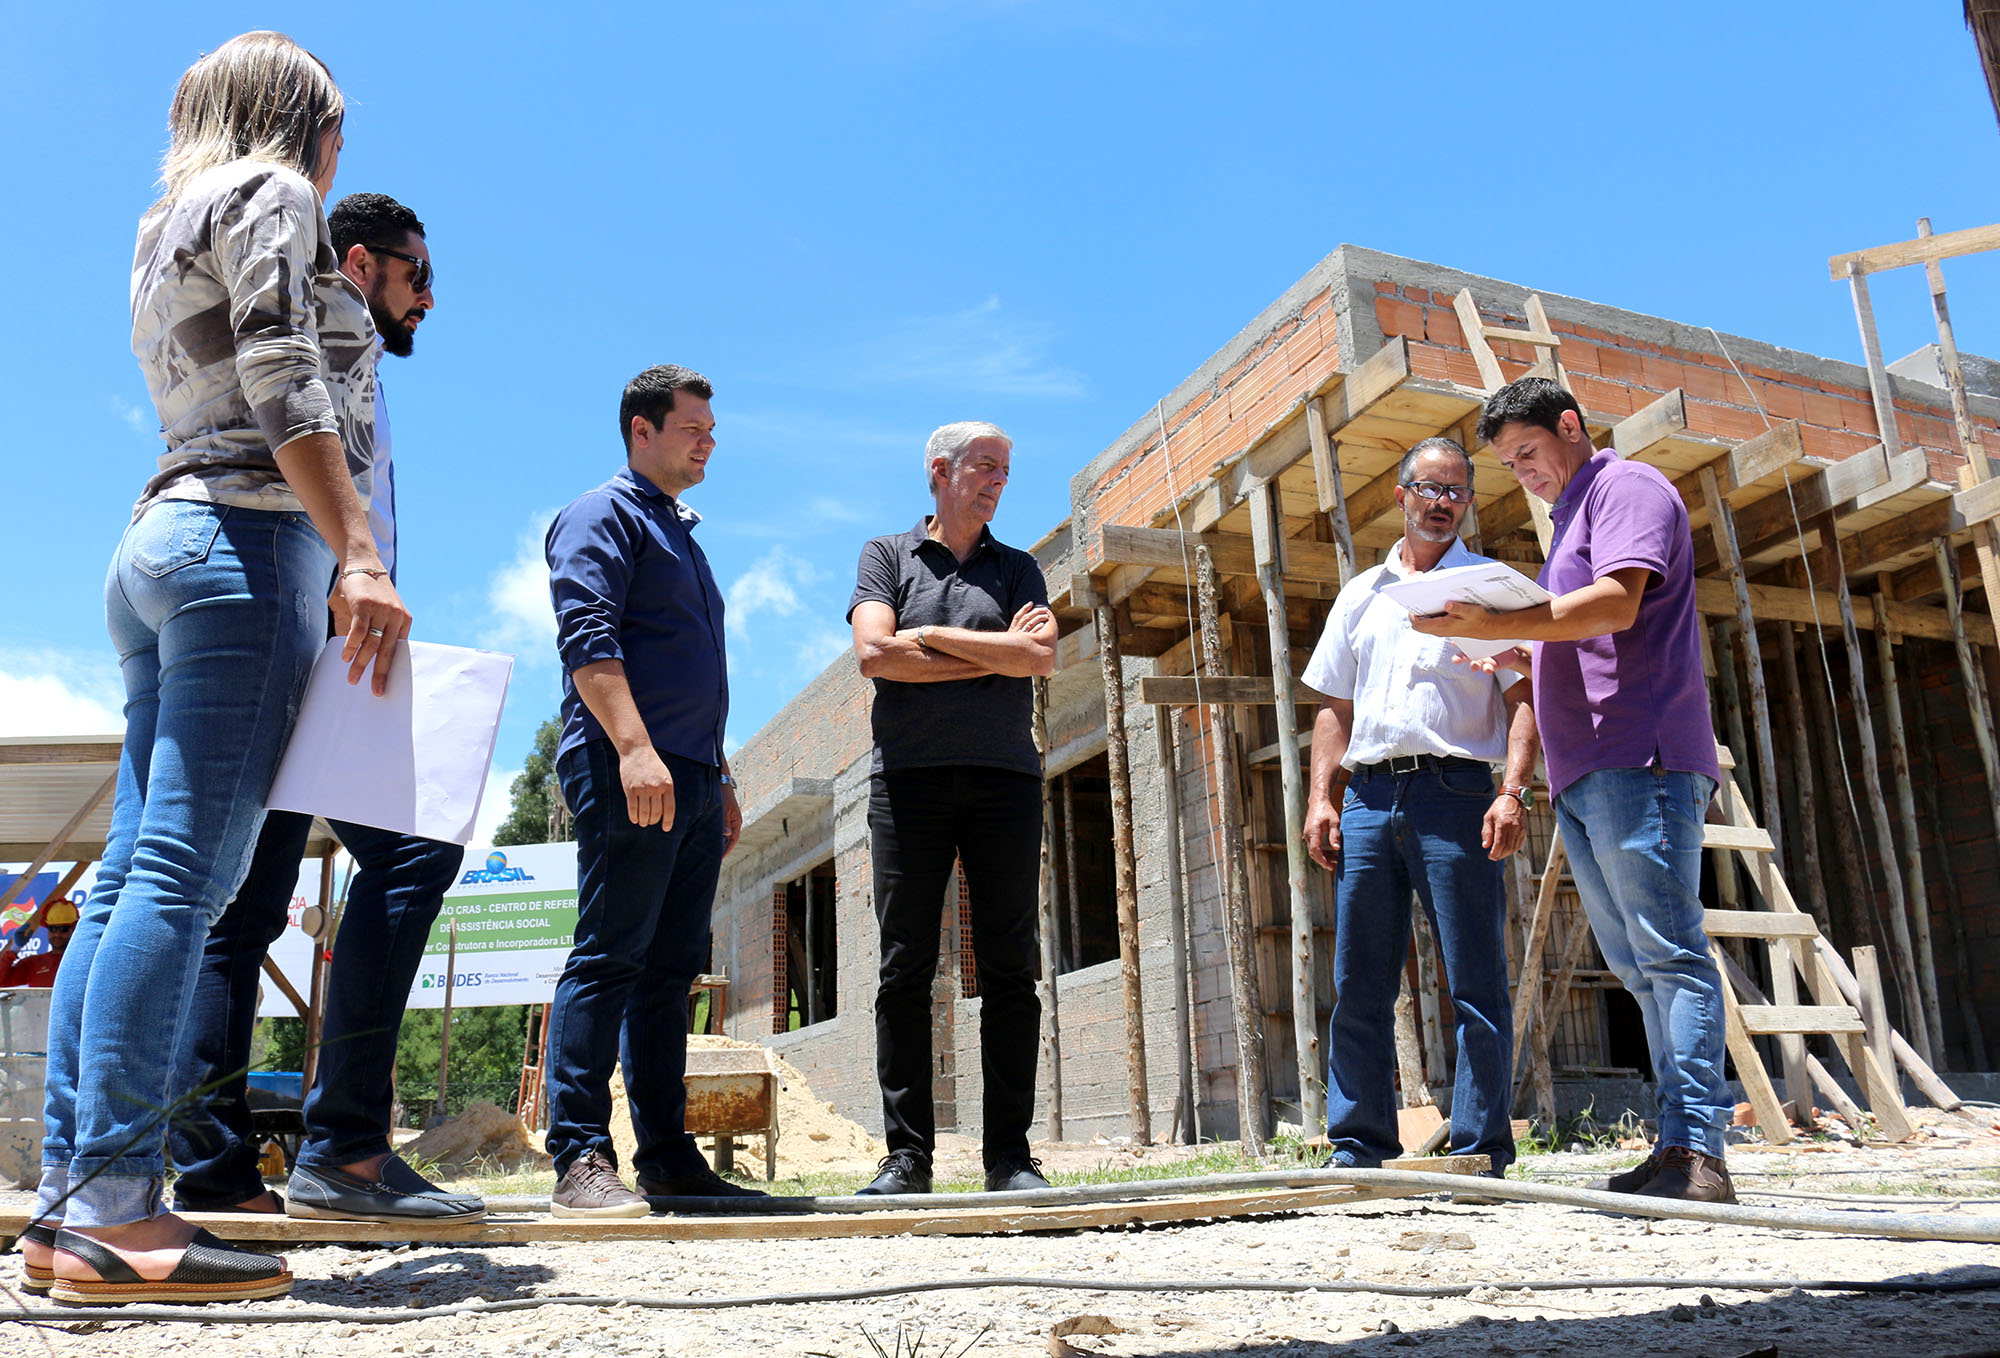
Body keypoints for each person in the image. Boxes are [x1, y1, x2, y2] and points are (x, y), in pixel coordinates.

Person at [28, 31, 407, 1307]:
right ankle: (118, 1205)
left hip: (155, 537)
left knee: (136, 876)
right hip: (243, 542)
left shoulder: (164, 217)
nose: (338, 152)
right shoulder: (277, 192)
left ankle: (73, 1198)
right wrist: (356, 547)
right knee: (184, 882)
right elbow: (280, 367)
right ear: (303, 120)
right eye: (336, 128)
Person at [164, 192, 480, 1225]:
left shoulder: (360, 358)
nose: (429, 297)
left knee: (254, 903)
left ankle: (247, 1159)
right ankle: (323, 1150)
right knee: (278, 894)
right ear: (360, 261)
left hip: (326, 631)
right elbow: (291, 440)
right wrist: (353, 569)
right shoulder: (321, 323)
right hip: (306, 627)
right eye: (416, 274)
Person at [1412, 376, 1733, 1204]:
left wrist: (1505, 624)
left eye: (1528, 452)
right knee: (1636, 964)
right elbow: (1583, 632)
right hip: (1590, 766)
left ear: (1570, 426)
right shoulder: (1570, 521)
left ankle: (1699, 1152)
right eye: (1509, 464)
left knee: (1671, 956)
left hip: (1642, 757)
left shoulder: (1626, 488)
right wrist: (1524, 655)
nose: (1524, 471)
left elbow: (1618, 608)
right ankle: (1675, 1148)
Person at [540, 364, 763, 1217]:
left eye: (712, 427)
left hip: (696, 775)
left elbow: (693, 673)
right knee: (610, 953)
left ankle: (668, 1158)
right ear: (642, 429)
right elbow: (586, 635)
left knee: (670, 971)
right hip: (630, 764)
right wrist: (634, 749)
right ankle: (579, 1157)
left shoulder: (684, 535)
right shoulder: (601, 514)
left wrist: (723, 777)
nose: (709, 439)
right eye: (693, 426)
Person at [1300, 437, 1536, 1180]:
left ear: (1468, 502)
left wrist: (1512, 790)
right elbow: (1335, 706)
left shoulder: (1491, 587)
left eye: (1457, 492)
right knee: (1361, 979)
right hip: (1369, 796)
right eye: (1429, 489)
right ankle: (1358, 1145)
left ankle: (1479, 1148)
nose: (1442, 503)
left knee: (1474, 975)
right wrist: (1320, 798)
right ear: (1401, 496)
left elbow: (1525, 695)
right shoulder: (1360, 595)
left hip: (1457, 791)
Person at [847, 421, 1057, 1196]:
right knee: (904, 968)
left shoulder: (1020, 566)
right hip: (907, 783)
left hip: (1005, 779)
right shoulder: (886, 556)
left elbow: (1039, 658)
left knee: (1009, 969)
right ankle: (907, 1158)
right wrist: (988, 649)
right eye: (986, 466)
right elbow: (874, 656)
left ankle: (1009, 1158)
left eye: (1007, 468)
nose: (999, 479)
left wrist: (927, 636)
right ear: (940, 470)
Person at [0, 898, 79, 988]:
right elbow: (1, 981)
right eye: (52, 929)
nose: (57, 934)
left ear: (74, 929)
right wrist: (15, 949)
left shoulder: (85, 961)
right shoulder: (33, 964)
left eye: (64, 929)